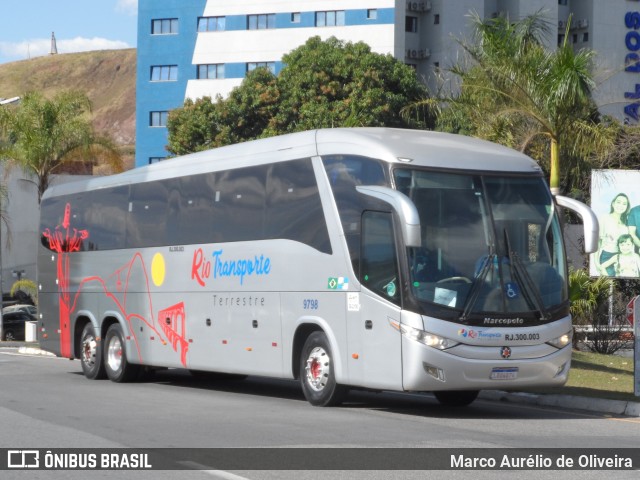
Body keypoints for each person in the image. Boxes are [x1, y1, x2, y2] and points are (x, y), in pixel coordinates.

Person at [594, 193, 631, 276]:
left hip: (622, 258)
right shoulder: (605, 218)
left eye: (624, 204)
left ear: (626, 207)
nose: (621, 205)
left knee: (620, 287)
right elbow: (598, 242)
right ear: (613, 204)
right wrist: (596, 262)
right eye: (618, 202)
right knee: (609, 286)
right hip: (607, 257)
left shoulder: (626, 223)